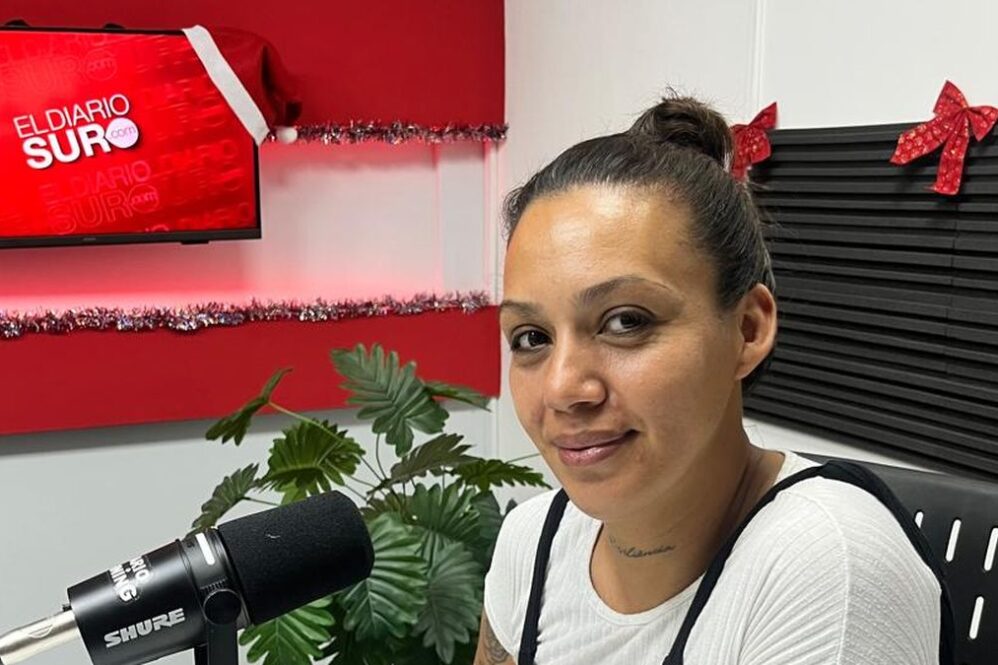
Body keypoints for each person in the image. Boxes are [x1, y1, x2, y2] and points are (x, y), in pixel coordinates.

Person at [475, 95, 948, 664]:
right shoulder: (530, 542)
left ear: (747, 329)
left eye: (626, 321)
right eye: (531, 337)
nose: (562, 389)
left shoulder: (826, 568)